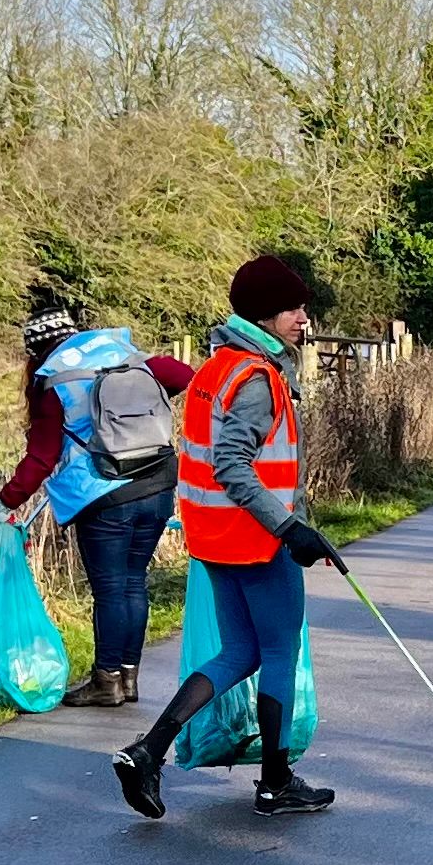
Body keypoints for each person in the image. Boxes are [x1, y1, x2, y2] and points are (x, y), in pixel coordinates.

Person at [112, 253, 338, 821]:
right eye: (292, 309)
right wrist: (289, 528)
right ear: (264, 316)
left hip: (214, 538)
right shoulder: (257, 377)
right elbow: (232, 465)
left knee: (240, 651)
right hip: (258, 540)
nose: (303, 318)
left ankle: (148, 751)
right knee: (279, 651)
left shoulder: (217, 368)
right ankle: (276, 784)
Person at [0, 298, 195, 710]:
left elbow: (41, 457)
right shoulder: (120, 352)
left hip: (104, 493)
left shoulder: (53, 381)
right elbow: (183, 374)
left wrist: (4, 502)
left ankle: (106, 681)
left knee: (110, 589)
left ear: (36, 350)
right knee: (134, 581)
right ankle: (128, 678)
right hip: (157, 482)